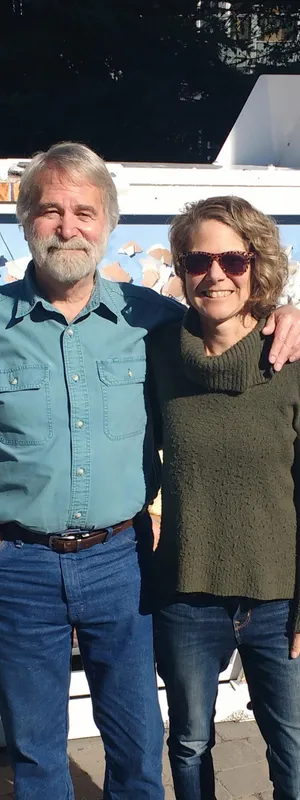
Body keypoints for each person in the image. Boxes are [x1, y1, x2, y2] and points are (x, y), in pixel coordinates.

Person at [0, 148, 298, 800]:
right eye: (50, 210)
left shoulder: (152, 319)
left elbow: (236, 323)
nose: (67, 226)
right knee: (34, 748)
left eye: (84, 211)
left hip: (121, 563)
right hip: (17, 563)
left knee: (137, 747)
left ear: (107, 224)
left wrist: (291, 315)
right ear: (26, 223)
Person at [148, 195, 300, 800]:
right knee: (188, 743)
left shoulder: (288, 358)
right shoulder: (156, 352)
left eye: (233, 261)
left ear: (257, 267)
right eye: (198, 260)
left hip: (279, 598)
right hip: (186, 596)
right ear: (182, 270)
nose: (215, 275)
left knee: (289, 745)